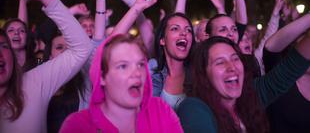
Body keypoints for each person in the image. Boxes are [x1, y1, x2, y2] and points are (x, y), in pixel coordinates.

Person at [0, 0, 92, 133]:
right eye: (11, 31)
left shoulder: (34, 80)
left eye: (3, 46)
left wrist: (51, 1)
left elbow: (82, 48)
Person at [177, 35, 310, 133]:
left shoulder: (252, 94)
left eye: (235, 59)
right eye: (220, 62)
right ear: (204, 74)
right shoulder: (193, 107)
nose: (232, 67)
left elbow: (293, 65)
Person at [60, 34, 183, 133]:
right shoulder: (78, 125)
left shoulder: (160, 111)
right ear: (102, 77)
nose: (137, 73)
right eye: (123, 66)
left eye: (140, 64)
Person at [150, 13, 195, 109]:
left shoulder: (199, 74)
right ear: (162, 40)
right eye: (175, 28)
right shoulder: (152, 71)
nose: (184, 33)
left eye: (188, 30)